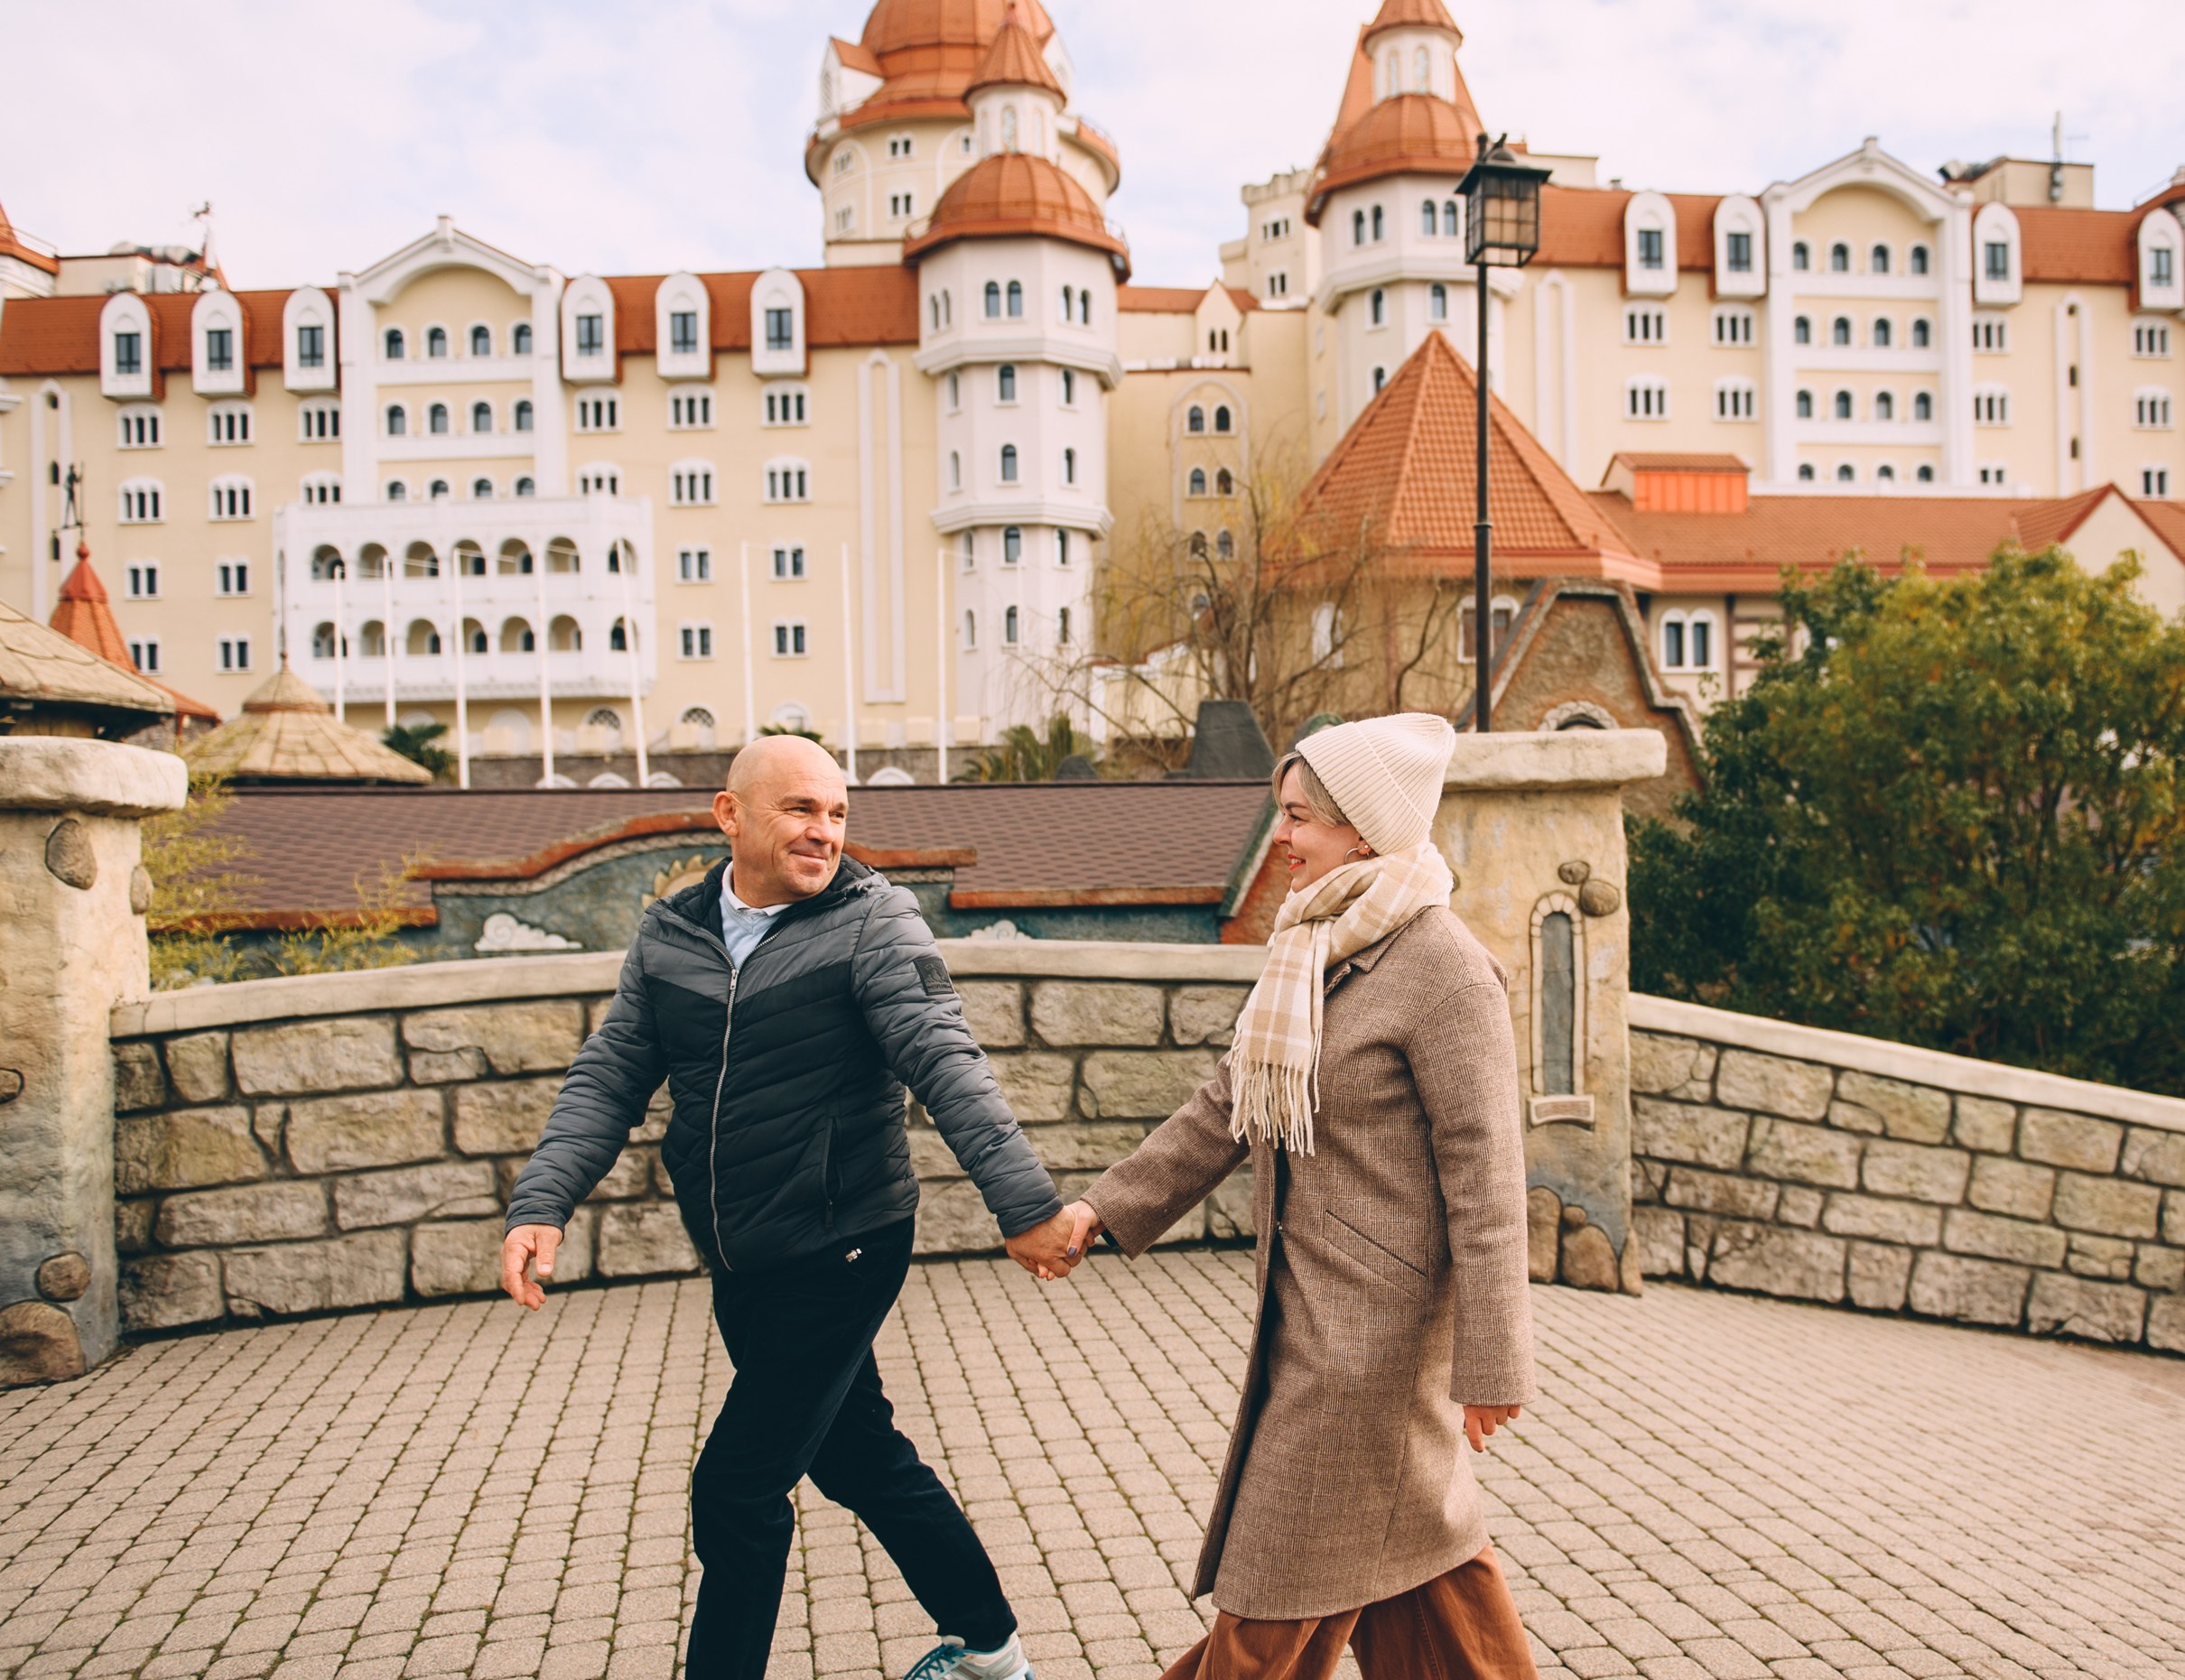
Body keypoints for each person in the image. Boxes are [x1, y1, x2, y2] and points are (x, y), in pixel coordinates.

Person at [501, 734, 1079, 1680]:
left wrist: (1022, 1205)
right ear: (730, 815)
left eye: (838, 813)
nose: (824, 832)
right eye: (801, 810)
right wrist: (543, 1202)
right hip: (743, 1254)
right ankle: (991, 1650)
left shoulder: (871, 924)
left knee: (734, 1488)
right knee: (857, 1457)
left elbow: (946, 1064)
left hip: (845, 1245)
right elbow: (609, 1075)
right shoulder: (672, 932)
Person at [1055, 713, 1540, 1680]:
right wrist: (1099, 1210)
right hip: (1313, 1323)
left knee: (1273, 1603)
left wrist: (1493, 1362)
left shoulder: (1444, 971)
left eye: (1298, 819)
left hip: (1376, 1352)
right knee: (1427, 1593)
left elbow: (1487, 1184)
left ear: (1362, 829)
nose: (1280, 838)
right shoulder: (1311, 948)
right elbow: (1227, 1107)